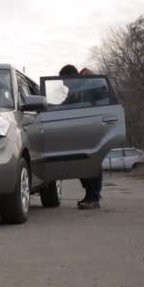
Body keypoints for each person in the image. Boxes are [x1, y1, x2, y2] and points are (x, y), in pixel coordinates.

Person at [58, 64, 103, 209]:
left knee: (91, 162)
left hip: (91, 129)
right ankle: (90, 195)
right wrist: (50, 108)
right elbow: (66, 105)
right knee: (81, 163)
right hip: (82, 130)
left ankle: (94, 197)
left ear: (71, 76)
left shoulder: (90, 84)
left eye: (65, 81)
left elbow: (86, 107)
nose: (64, 85)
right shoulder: (77, 89)